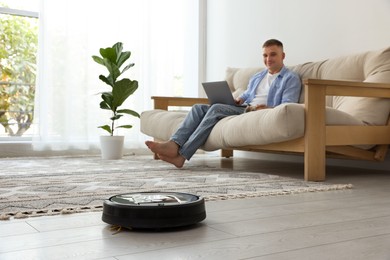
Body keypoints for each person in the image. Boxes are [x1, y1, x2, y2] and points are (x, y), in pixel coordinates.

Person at [145, 39, 301, 168]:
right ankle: (175, 143)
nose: (268, 59)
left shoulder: (290, 78)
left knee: (216, 108)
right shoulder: (258, 76)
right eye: (265, 55)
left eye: (273, 54)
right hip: (245, 107)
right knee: (198, 108)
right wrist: (239, 99)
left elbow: (288, 105)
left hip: (260, 111)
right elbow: (247, 94)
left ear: (283, 55)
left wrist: (268, 108)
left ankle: (182, 155)